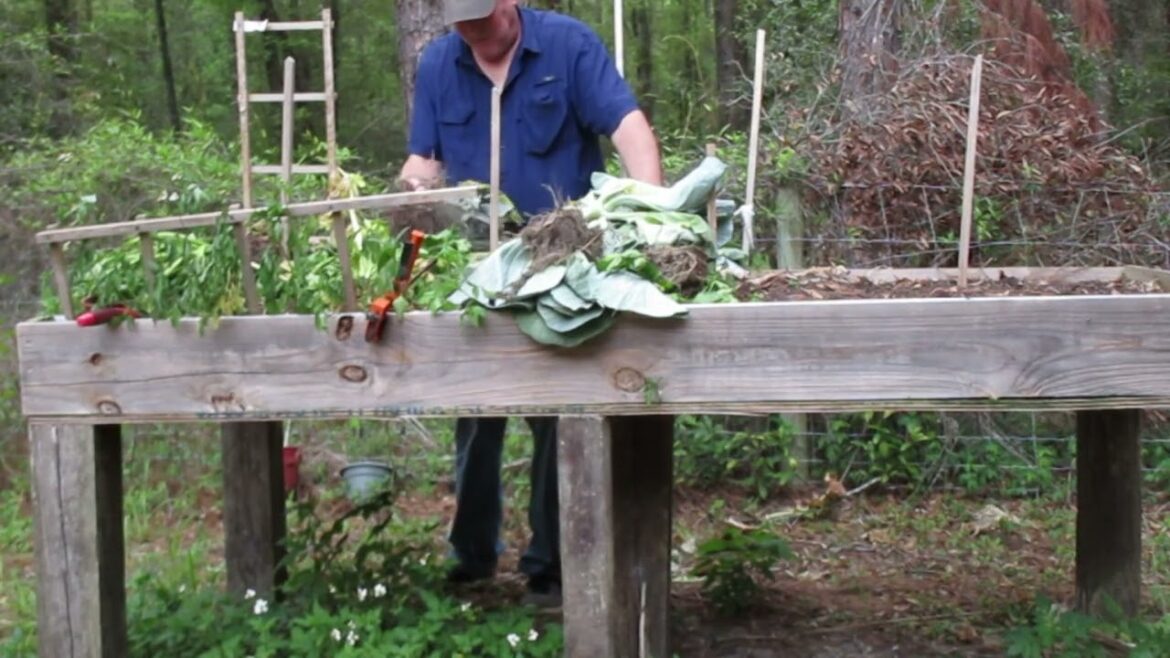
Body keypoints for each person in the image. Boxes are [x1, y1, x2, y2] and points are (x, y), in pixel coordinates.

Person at [397, 0, 663, 608]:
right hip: (474, 266)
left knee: (556, 415)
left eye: (483, 23)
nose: (476, 37)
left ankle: (550, 566)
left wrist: (650, 217)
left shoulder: (566, 45)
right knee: (476, 413)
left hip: (562, 265)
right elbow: (423, 160)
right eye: (463, 28)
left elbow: (630, 131)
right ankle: (471, 559)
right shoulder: (440, 63)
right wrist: (410, 193)